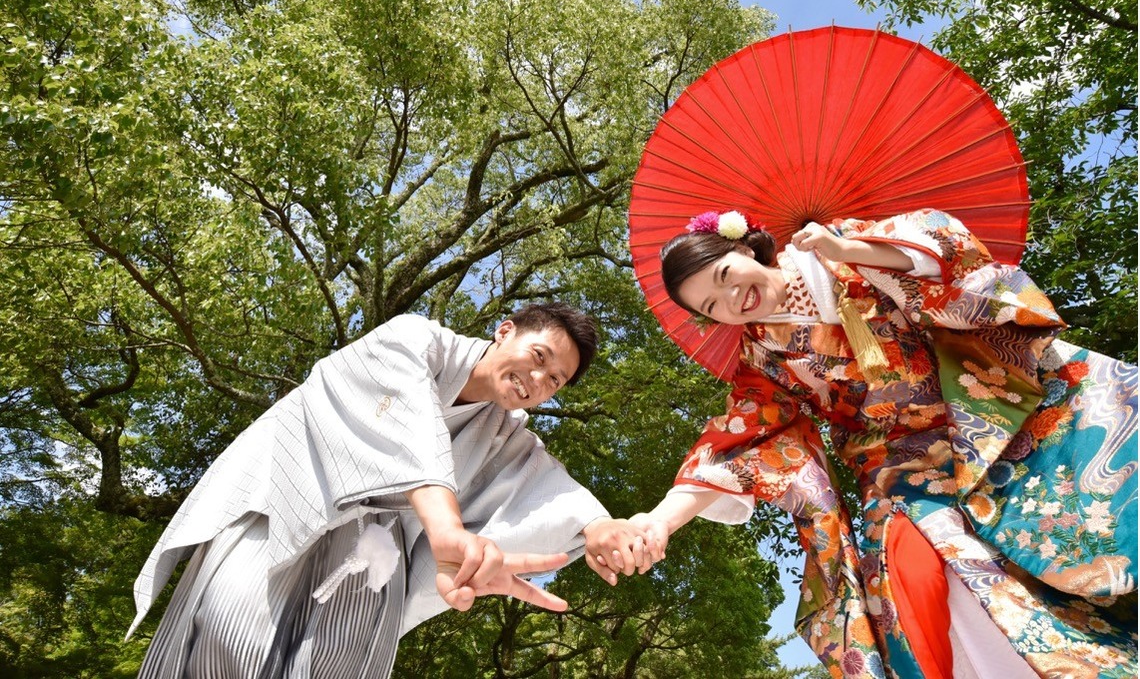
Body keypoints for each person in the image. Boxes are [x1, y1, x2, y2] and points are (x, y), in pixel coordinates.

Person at [631, 209, 1137, 678]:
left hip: (982, 418)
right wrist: (659, 520)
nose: (731, 301)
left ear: (745, 250)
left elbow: (945, 250)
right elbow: (743, 436)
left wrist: (850, 253)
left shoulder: (838, 246)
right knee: (913, 573)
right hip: (894, 466)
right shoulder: (762, 359)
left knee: (1094, 478)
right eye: (712, 307)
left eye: (724, 278)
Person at [128, 302, 655, 678]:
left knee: (334, 665)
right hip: (289, 511)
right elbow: (406, 419)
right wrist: (446, 526)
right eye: (539, 357)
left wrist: (599, 526)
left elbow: (550, 485)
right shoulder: (412, 340)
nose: (538, 380)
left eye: (555, 380)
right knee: (225, 634)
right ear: (505, 331)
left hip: (372, 566)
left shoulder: (505, 435)